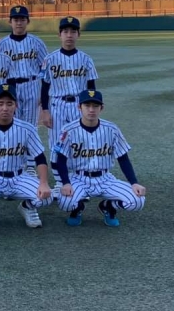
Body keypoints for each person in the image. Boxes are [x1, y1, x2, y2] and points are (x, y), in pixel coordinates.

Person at [54, 90, 146, 227]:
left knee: (138, 201)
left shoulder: (112, 129)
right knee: (65, 202)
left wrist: (134, 183)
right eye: (87, 105)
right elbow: (60, 160)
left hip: (105, 179)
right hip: (79, 178)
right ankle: (77, 208)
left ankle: (108, 206)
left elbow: (123, 158)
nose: (91, 110)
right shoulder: (68, 130)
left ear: (101, 108)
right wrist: (66, 183)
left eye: (95, 106)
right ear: (79, 107)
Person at [0, 84, 53, 229]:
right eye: (0, 103)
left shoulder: (27, 129)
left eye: (9, 104)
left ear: (16, 106)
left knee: (47, 197)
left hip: (19, 177)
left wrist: (44, 182)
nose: (5, 108)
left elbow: (40, 158)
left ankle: (27, 206)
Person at [39, 16, 98, 189]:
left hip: (80, 105)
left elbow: (91, 88)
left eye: (73, 31)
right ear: (59, 34)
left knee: (80, 143)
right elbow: (44, 87)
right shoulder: (50, 59)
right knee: (57, 145)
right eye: (65, 31)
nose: (69, 35)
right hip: (57, 105)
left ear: (79, 34)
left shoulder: (86, 59)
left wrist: (91, 109)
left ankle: (78, 180)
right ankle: (60, 182)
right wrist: (45, 110)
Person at [0, 6, 48, 174]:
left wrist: (43, 93)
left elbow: (45, 69)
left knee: (31, 127)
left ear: (27, 21)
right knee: (12, 127)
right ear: (10, 21)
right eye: (16, 19)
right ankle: (15, 165)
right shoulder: (2, 44)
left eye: (22, 19)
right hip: (10, 89)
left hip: (32, 85)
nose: (19, 22)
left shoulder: (37, 42)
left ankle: (31, 165)